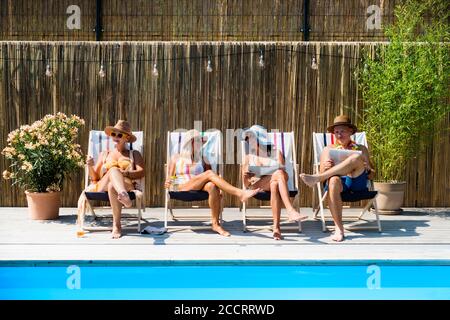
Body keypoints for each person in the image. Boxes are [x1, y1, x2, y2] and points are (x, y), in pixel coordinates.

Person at [165, 129, 261, 237]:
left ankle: (215, 224)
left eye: (201, 141)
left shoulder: (203, 158)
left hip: (199, 186)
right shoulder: (176, 158)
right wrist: (171, 182)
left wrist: (218, 187)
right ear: (190, 142)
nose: (201, 144)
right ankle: (240, 193)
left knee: (211, 186)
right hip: (181, 186)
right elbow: (170, 179)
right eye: (198, 141)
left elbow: (211, 177)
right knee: (210, 173)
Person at [299, 115, 375, 242]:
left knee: (356, 158)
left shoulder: (361, 148)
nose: (339, 135)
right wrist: (326, 168)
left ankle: (316, 178)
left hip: (357, 182)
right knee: (333, 181)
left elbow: (372, 175)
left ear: (350, 131)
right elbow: (325, 175)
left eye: (342, 131)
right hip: (340, 184)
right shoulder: (328, 149)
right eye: (336, 132)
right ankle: (339, 229)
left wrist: (367, 168)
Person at [242, 125, 307, 240]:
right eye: (247, 139)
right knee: (277, 175)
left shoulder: (276, 152)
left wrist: (264, 169)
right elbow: (246, 184)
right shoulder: (248, 157)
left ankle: (276, 228)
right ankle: (290, 210)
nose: (249, 142)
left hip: (278, 179)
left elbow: (281, 169)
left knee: (275, 181)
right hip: (259, 184)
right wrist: (246, 176)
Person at [85, 120, 145, 239]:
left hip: (126, 184)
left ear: (127, 138)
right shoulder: (105, 154)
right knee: (113, 170)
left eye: (119, 135)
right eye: (113, 134)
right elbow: (95, 177)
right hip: (103, 185)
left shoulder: (134, 154)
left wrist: (126, 173)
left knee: (114, 185)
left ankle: (116, 225)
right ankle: (124, 197)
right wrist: (90, 166)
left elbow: (142, 172)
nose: (115, 137)